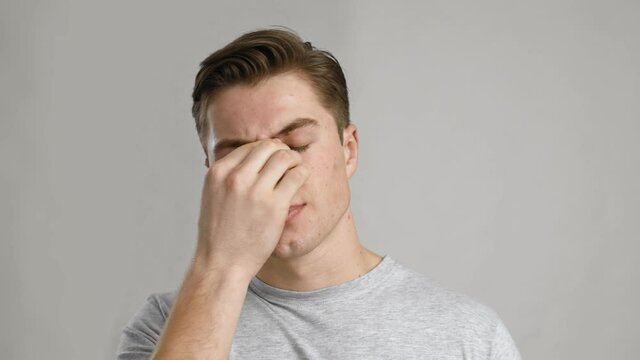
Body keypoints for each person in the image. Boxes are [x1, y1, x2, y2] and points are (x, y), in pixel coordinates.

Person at [116, 27, 522, 360]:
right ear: (213, 175)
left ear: (348, 151)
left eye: (295, 145)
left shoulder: (467, 335)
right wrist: (220, 265)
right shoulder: (165, 326)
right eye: (239, 156)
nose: (273, 176)